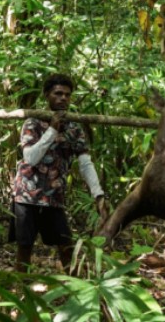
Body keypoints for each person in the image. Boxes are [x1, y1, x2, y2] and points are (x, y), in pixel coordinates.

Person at [10, 72, 109, 270]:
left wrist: (98, 194)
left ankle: (77, 289)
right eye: (57, 93)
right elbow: (31, 158)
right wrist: (52, 130)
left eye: (67, 94)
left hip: (54, 196)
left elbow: (85, 163)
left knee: (65, 245)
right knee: (25, 247)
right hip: (26, 196)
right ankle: (20, 290)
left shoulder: (74, 129)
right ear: (47, 95)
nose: (63, 98)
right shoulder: (33, 123)